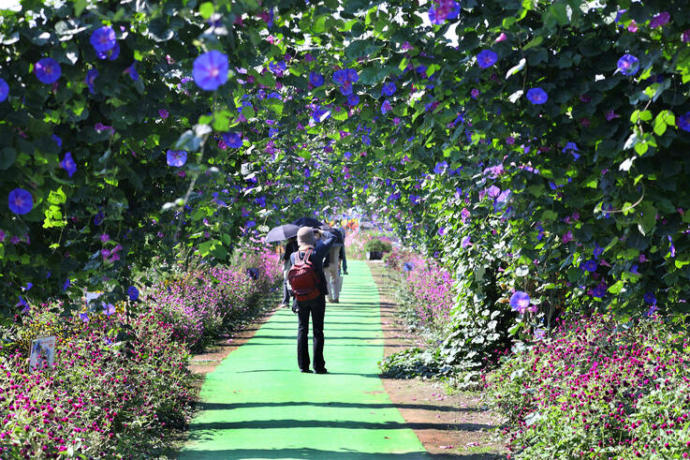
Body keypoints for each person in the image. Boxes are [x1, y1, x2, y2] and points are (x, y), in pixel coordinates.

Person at [289, 226, 335, 374]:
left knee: (302, 329)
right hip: (317, 295)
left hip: (300, 297)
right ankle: (319, 366)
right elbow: (333, 238)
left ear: (298, 239)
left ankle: (303, 365)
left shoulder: (293, 256)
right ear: (312, 238)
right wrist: (320, 233)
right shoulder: (316, 252)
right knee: (318, 331)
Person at [323, 227, 348, 303]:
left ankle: (330, 298)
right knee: (336, 281)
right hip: (335, 263)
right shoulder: (339, 242)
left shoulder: (326, 241)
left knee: (326, 281)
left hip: (326, 264)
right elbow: (342, 254)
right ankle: (336, 297)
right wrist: (340, 263)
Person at [278, 237, 298, 308]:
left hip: (289, 265)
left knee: (286, 282)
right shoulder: (299, 244)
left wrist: (282, 256)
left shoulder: (289, 245)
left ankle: (286, 301)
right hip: (297, 265)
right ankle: (296, 302)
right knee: (296, 283)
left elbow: (286, 256)